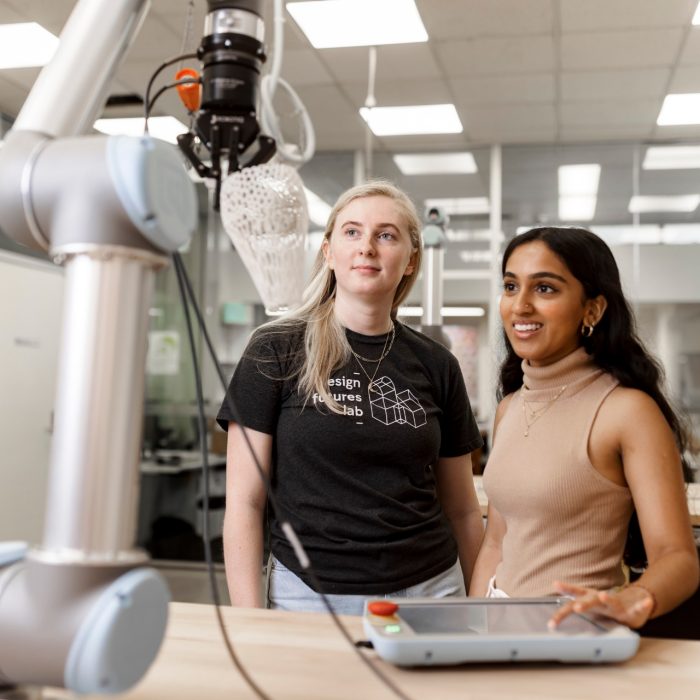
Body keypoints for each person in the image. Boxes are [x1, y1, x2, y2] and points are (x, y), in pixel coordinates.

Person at [217, 181, 484, 614]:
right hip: (310, 597)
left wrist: (481, 613)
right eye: (352, 232)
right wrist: (249, 620)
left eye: (386, 235)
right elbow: (245, 503)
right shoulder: (275, 350)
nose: (367, 248)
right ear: (329, 251)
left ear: (410, 257)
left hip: (432, 591)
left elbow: (464, 511)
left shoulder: (437, 363)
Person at [469, 226, 699, 629]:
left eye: (545, 289)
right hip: (498, 637)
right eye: (510, 286)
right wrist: (472, 628)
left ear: (592, 310)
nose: (520, 305)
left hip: (576, 635)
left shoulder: (626, 410)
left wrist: (634, 600)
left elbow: (678, 558)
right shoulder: (509, 407)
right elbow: (495, 542)